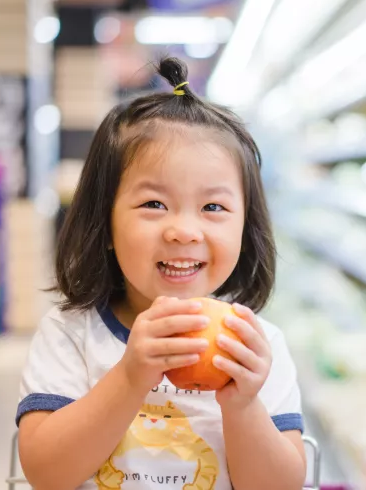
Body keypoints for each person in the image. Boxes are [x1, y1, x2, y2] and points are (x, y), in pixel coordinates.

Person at [15, 57, 307, 490]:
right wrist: (131, 376)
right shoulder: (72, 334)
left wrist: (244, 406)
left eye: (213, 207)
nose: (184, 231)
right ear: (105, 224)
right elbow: (46, 474)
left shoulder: (254, 347)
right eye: (154, 204)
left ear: (246, 229)